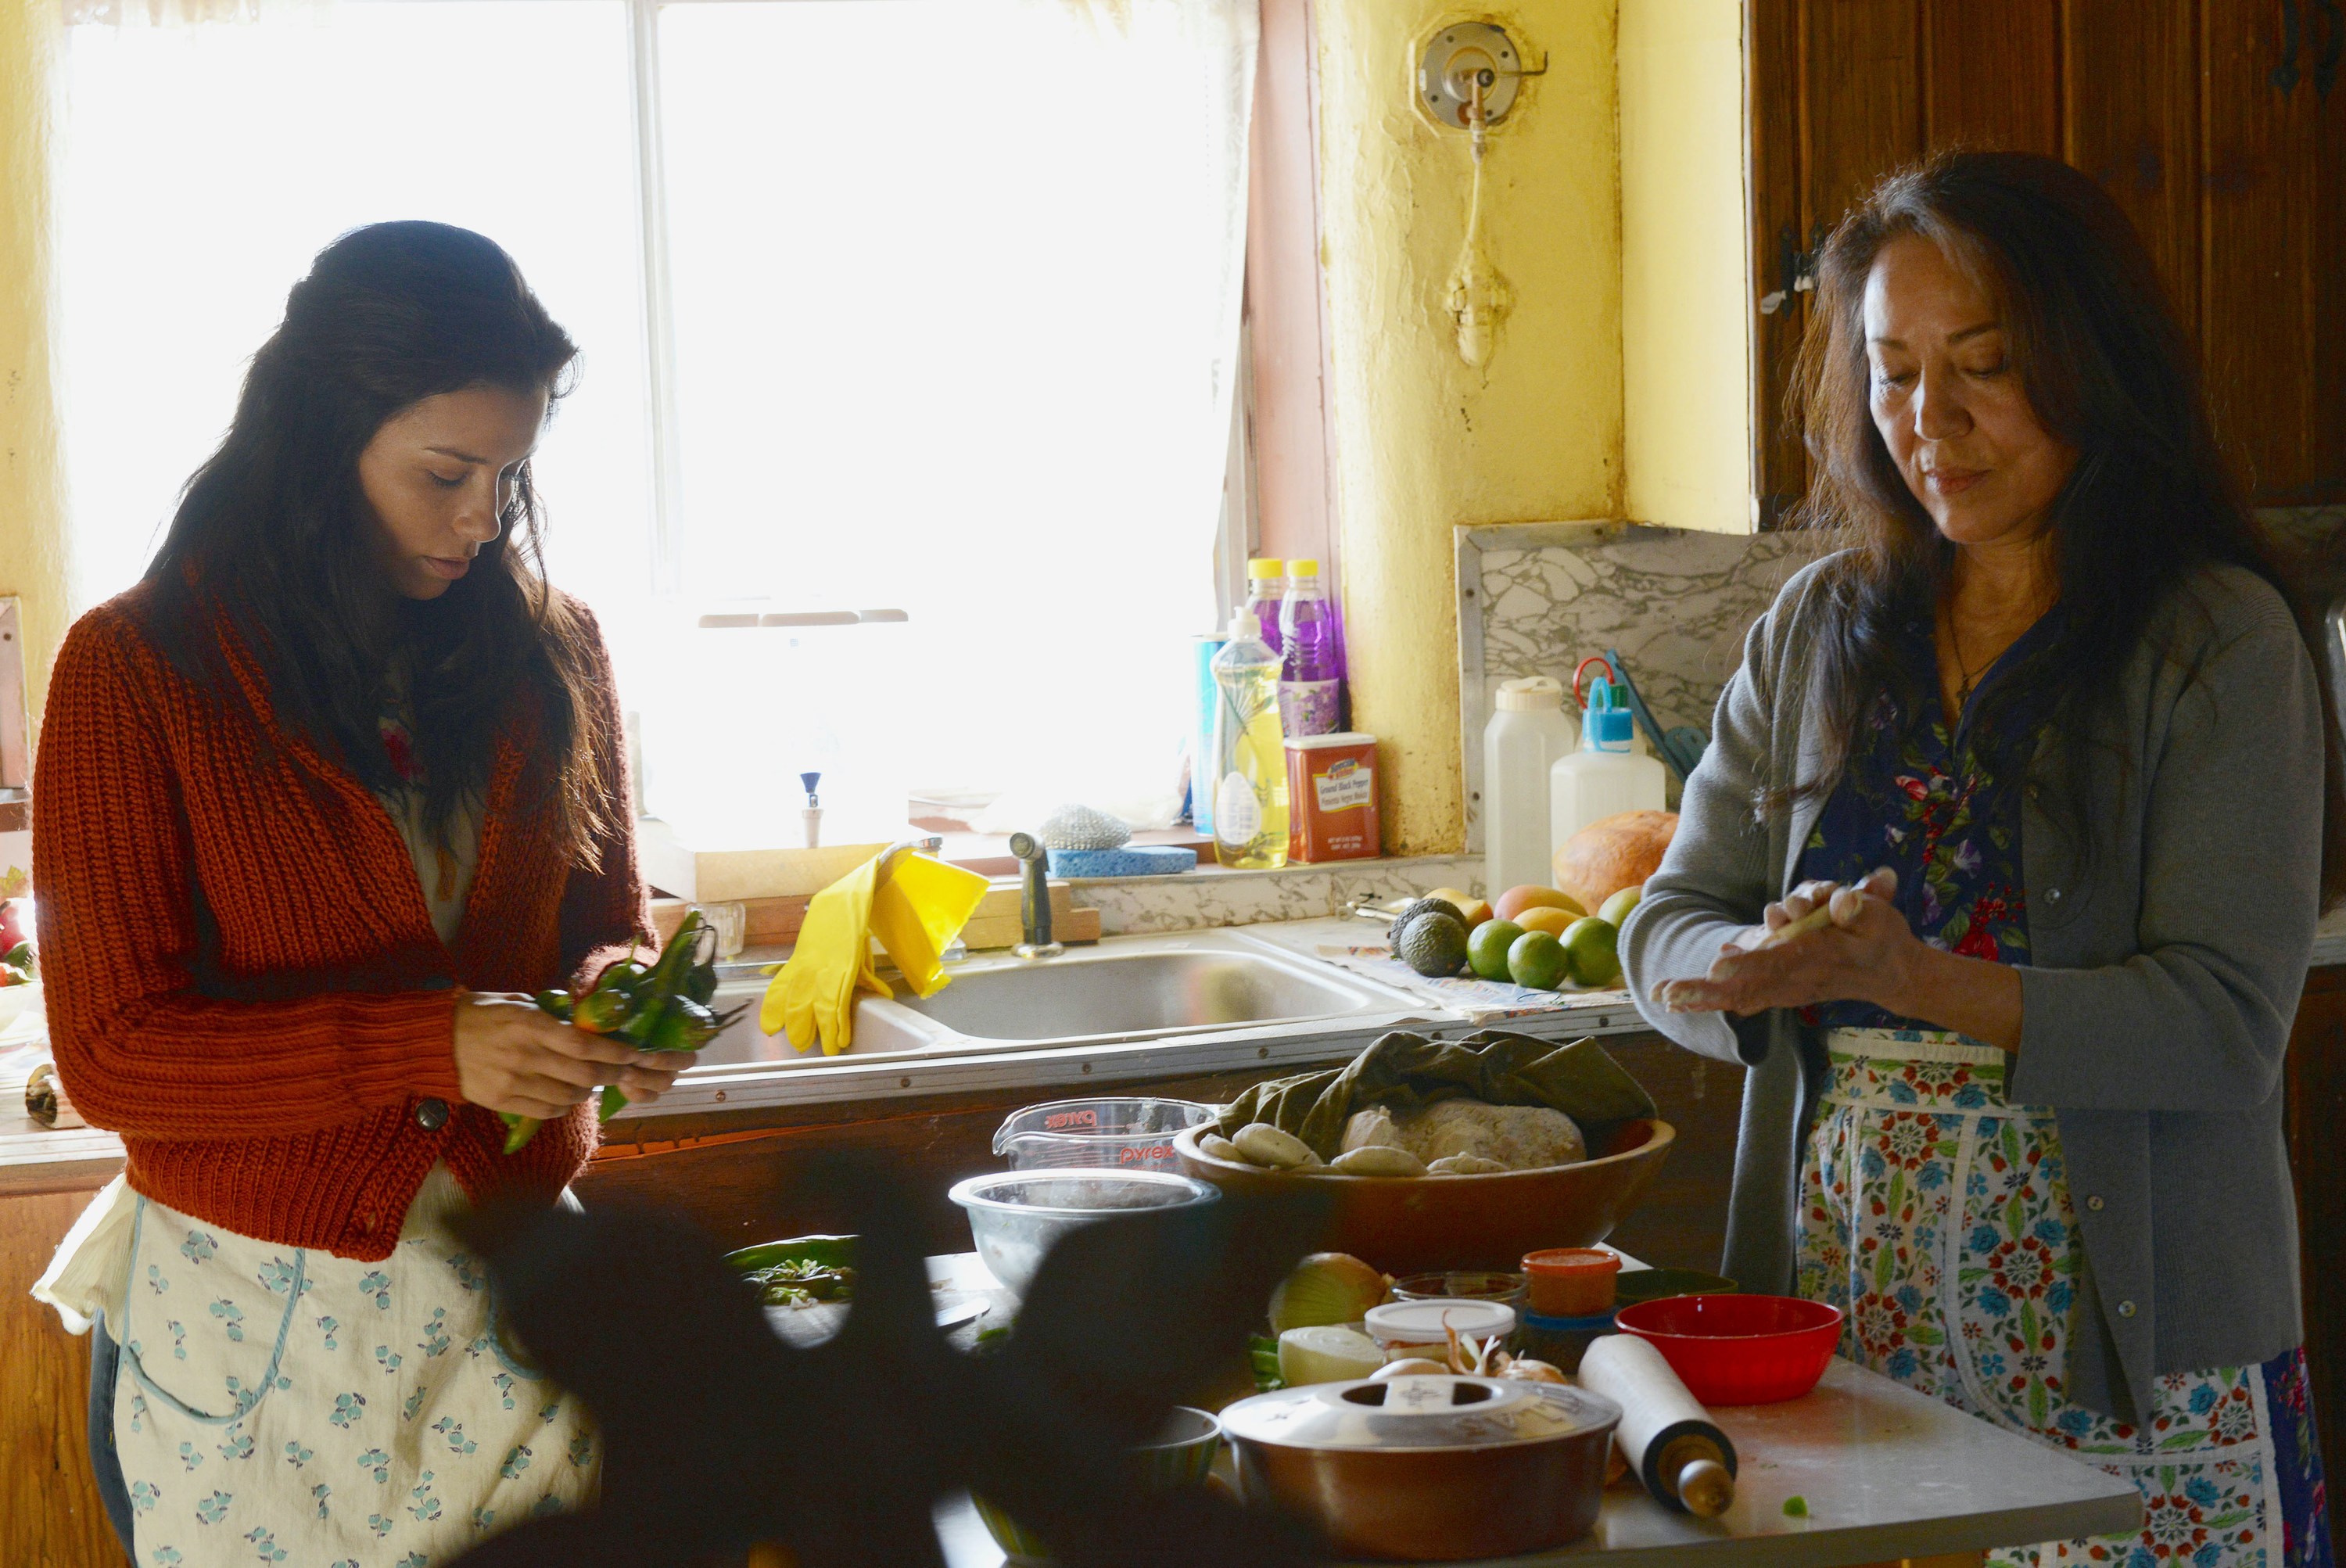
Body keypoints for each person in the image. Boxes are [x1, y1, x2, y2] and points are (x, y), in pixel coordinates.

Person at [1620, 152, 2335, 1568]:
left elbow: (2224, 1027)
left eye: (1984, 365)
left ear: (2092, 365)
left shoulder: (2217, 640)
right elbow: (1668, 919)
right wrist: (1741, 966)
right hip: (1848, 1341)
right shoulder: (1819, 629)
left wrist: (1915, 978)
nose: (1927, 423)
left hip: (2132, 1373)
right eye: (1891, 373)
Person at [30, 222, 691, 1566]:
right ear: (318, 444)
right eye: (444, 472)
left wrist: (615, 999)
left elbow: (599, 920)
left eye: (507, 477)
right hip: (255, 1322)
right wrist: (429, 1042)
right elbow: (112, 1055)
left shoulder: (552, 651)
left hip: (518, 1303)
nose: (478, 517)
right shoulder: (134, 669)